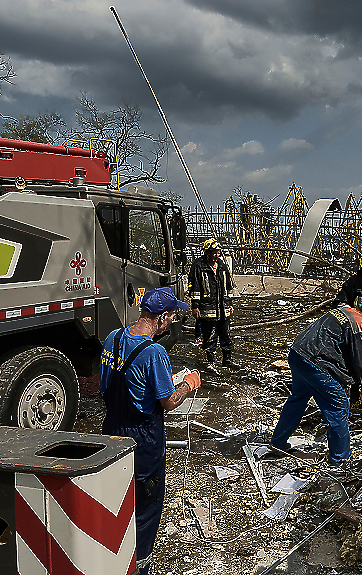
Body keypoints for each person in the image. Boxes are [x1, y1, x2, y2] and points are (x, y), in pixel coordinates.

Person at [100, 287, 201, 575]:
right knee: (145, 505)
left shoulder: (112, 338)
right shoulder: (155, 353)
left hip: (111, 430)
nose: (171, 323)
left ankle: (112, 557)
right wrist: (188, 384)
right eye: (172, 317)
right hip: (142, 438)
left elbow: (106, 385)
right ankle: (139, 565)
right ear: (162, 317)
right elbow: (168, 401)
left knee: (116, 498)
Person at [271, 297, 362, 467]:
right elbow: (360, 362)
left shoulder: (346, 311)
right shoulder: (360, 327)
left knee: (298, 399)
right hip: (314, 363)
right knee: (339, 406)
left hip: (298, 354)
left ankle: (277, 443)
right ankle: (341, 460)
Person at [189, 238, 239, 374]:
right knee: (210, 335)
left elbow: (228, 286)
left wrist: (229, 303)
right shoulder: (199, 266)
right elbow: (195, 287)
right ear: (207, 253)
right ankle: (211, 362)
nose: (217, 255)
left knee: (226, 334)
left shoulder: (222, 265)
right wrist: (195, 306)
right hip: (208, 308)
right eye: (214, 252)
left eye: (218, 252)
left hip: (223, 308)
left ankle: (227, 360)